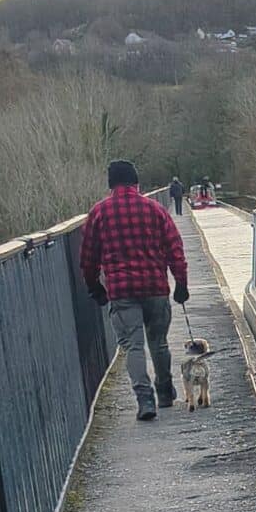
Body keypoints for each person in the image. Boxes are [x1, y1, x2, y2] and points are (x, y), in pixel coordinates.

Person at [80, 158, 190, 422]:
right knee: (159, 343)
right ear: (136, 183)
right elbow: (175, 248)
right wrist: (181, 283)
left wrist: (95, 287)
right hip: (155, 287)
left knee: (133, 346)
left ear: (111, 185)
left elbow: (88, 258)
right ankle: (165, 391)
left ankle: (145, 400)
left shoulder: (99, 213)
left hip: (122, 292)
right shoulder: (155, 209)